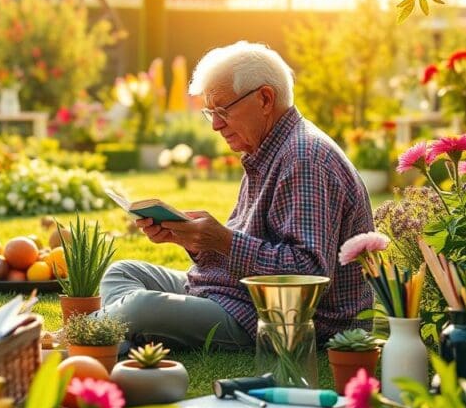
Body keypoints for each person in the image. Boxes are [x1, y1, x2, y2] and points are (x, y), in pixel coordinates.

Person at [98, 41, 373, 351]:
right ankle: (119, 343)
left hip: (278, 319)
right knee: (122, 272)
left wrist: (223, 241)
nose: (215, 125)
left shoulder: (304, 158)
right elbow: (251, 246)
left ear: (265, 99)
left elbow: (307, 275)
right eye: (209, 112)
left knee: (140, 308)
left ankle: (82, 339)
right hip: (235, 294)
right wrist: (192, 239)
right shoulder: (266, 148)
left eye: (222, 110)